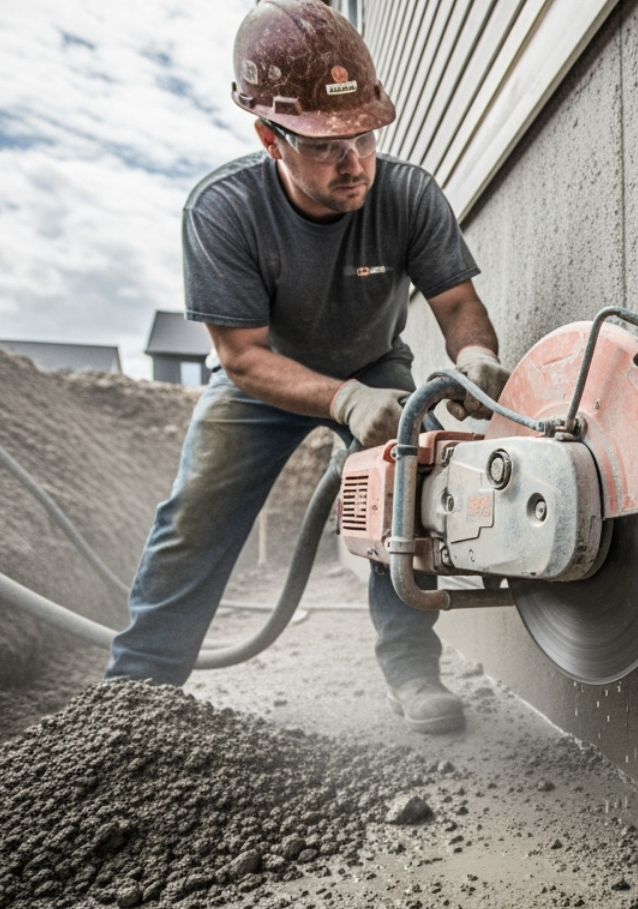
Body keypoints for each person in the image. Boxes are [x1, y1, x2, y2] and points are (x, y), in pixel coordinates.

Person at [105, 0, 508, 734]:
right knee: (194, 515)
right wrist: (340, 400)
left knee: (404, 497)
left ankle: (413, 669)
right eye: (327, 147)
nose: (354, 162)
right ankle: (136, 696)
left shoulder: (408, 194)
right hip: (265, 381)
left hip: (374, 363)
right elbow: (242, 357)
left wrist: (477, 357)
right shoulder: (223, 211)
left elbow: (456, 304)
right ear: (270, 137)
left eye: (365, 137)